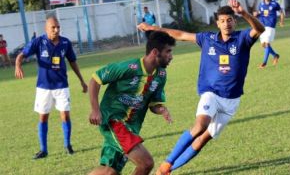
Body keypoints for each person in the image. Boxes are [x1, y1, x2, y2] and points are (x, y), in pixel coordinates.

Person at [138, 0, 265, 175]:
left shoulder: (242, 39)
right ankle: (167, 163)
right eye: (222, 20)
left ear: (234, 21)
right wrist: (154, 29)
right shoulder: (208, 39)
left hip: (232, 100)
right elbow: (181, 35)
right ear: (217, 23)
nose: (226, 24)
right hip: (211, 93)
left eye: (230, 20)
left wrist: (243, 12)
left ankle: (166, 171)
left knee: (203, 140)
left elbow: (260, 29)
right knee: (200, 126)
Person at [88, 31, 176, 175]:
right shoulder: (128, 67)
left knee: (109, 171)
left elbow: (153, 103)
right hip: (114, 121)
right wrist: (95, 110)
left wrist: (161, 110)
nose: (171, 56)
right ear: (155, 52)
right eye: (168, 52)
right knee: (146, 163)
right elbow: (95, 79)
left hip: (131, 127)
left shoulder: (161, 75)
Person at [15, 16, 88, 159]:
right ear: (46, 28)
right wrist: (18, 65)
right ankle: (44, 150)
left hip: (62, 86)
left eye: (58, 27)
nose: (56, 30)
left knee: (65, 115)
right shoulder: (38, 42)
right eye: (53, 27)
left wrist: (82, 81)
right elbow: (21, 55)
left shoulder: (65, 42)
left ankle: (68, 145)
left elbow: (72, 62)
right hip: (44, 87)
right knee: (43, 118)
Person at [254, 0, 285, 69]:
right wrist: (256, 14)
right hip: (262, 27)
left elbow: (281, 12)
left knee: (267, 44)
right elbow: (260, 13)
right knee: (264, 45)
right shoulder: (261, 4)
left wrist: (281, 21)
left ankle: (264, 63)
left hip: (270, 27)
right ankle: (275, 55)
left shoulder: (274, 4)